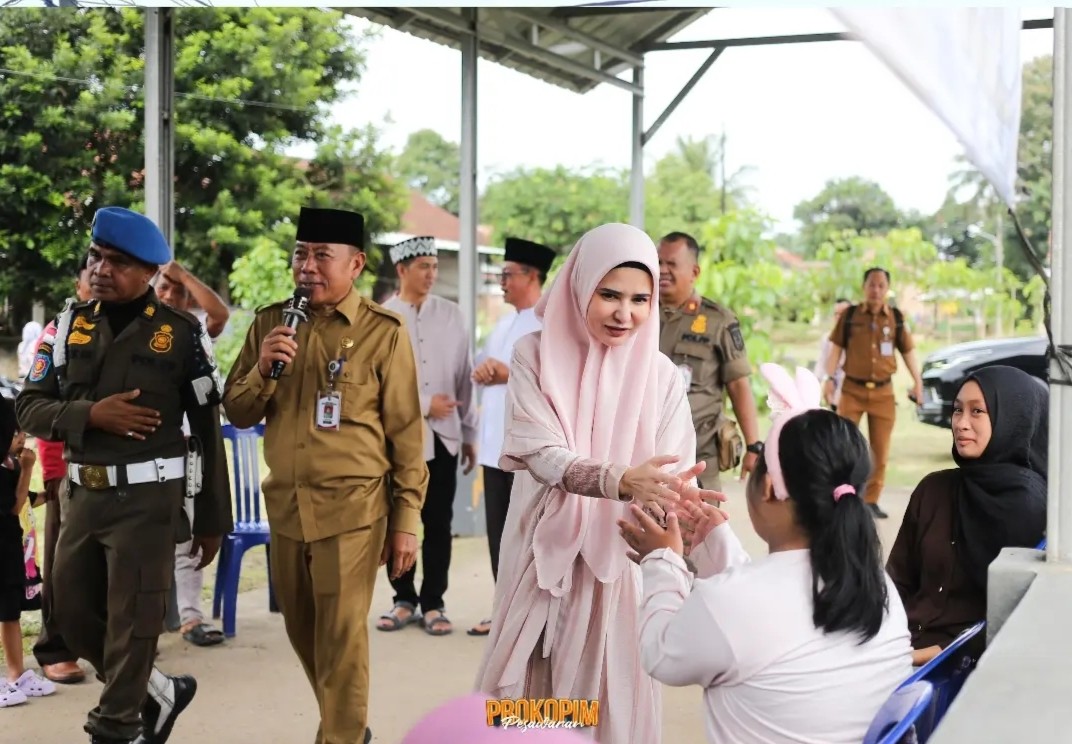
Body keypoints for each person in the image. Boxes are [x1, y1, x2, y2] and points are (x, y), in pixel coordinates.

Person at [474, 223, 720, 744]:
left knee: (609, 699)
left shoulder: (662, 377)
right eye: (609, 295)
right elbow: (540, 452)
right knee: (529, 696)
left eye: (639, 299)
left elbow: (672, 472)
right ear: (579, 286)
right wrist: (620, 479)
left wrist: (683, 503)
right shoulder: (533, 355)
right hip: (544, 555)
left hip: (620, 560)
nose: (623, 313)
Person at [16, 206, 233, 744]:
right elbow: (28, 408)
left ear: (148, 274)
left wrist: (211, 519)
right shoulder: (67, 327)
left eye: (117, 261)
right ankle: (157, 691)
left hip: (148, 501)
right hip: (82, 497)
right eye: (95, 257)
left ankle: (115, 729)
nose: (100, 269)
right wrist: (90, 415)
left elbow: (207, 430)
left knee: (134, 621)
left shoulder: (180, 334)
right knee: (67, 611)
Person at [622, 363, 913, 744]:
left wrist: (662, 561)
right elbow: (766, 611)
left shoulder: (734, 603)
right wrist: (715, 542)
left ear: (771, 488)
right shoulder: (875, 584)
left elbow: (661, 653)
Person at [223, 206, 428, 744]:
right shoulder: (270, 323)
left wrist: (407, 519)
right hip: (287, 508)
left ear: (356, 263)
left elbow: (406, 433)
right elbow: (238, 411)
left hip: (354, 510)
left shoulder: (384, 332)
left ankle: (338, 738)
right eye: (300, 254)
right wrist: (264, 369)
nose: (307, 267)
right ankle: (351, 727)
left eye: (321, 256)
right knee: (305, 632)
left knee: (341, 639)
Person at [887, 365, 1047, 666]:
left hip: (968, 669)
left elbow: (1015, 615)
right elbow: (895, 583)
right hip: (899, 651)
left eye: (977, 412)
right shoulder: (933, 489)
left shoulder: (1029, 506)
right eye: (957, 410)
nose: (960, 423)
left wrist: (929, 655)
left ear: (1012, 419)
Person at [376, 236, 477, 636]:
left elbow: (464, 377)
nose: (432, 274)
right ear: (402, 271)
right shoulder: (382, 317)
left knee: (438, 522)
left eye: (434, 266)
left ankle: (434, 602)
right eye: (424, 266)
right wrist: (422, 404)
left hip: (446, 438)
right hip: (399, 439)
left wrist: (469, 433)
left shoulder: (452, 315)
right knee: (398, 518)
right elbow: (376, 383)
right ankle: (403, 599)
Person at [468, 236, 556, 638]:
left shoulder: (548, 322)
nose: (501, 282)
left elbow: (554, 380)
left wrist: (506, 374)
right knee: (498, 533)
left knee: (528, 532)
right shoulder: (503, 323)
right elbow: (488, 374)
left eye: (507, 275)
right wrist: (486, 372)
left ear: (531, 276)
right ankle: (502, 610)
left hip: (529, 452)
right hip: (493, 448)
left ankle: (531, 617)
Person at [154, 260, 231, 647]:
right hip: (146, 454)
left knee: (188, 539)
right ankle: (142, 626)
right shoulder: (141, 328)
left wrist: (184, 275)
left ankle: (190, 618)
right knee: (146, 539)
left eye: (176, 290)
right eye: (162, 287)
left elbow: (220, 313)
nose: (167, 294)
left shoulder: (193, 334)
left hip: (188, 455)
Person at [656, 231, 762, 490]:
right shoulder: (638, 312)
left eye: (671, 264)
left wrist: (754, 446)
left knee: (703, 527)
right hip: (647, 452)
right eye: (658, 262)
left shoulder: (718, 321)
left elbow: (738, 385)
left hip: (700, 456)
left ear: (694, 272)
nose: (662, 270)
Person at [30, 255, 93, 685]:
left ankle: (101, 642)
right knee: (60, 562)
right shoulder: (61, 330)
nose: (105, 276)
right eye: (95, 270)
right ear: (79, 281)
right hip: (65, 467)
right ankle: (55, 647)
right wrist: (54, 470)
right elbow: (37, 403)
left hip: (116, 470)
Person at [822, 267, 924, 519]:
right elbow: (835, 349)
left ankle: (870, 500)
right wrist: (829, 379)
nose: (876, 290)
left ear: (887, 289)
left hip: (883, 393)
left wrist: (918, 381)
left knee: (880, 449)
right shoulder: (850, 316)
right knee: (845, 446)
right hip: (852, 390)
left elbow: (908, 352)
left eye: (881, 285)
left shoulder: (896, 318)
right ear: (863, 287)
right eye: (871, 284)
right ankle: (843, 497)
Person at [0, 398, 55, 708]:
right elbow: (13, 506)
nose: (21, 438)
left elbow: (28, 498)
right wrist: (29, 468)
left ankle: (17, 673)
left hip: (10, 553)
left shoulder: (9, 464)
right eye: (14, 432)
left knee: (11, 614)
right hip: (3, 551)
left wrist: (48, 495)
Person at [813, 297, 850, 412]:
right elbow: (821, 364)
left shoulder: (858, 340)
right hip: (832, 385)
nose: (839, 318)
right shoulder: (827, 338)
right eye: (836, 314)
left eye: (843, 314)